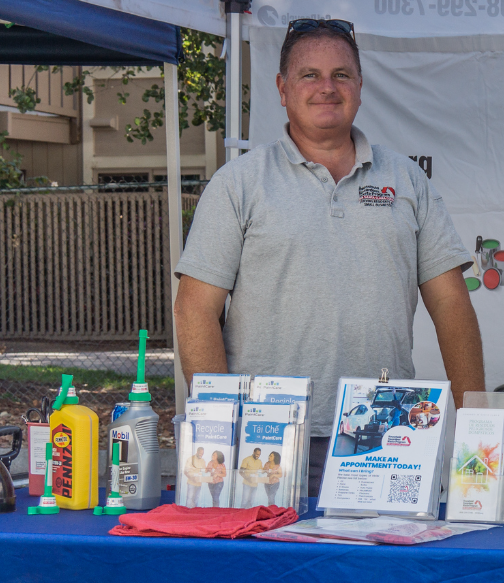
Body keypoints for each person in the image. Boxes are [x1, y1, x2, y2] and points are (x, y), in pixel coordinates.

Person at [173, 18, 485, 497]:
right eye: (309, 75)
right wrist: (222, 428)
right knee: (264, 572)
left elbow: (451, 306)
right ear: (281, 88)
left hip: (388, 432)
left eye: (341, 74)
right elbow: (195, 307)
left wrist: (473, 424)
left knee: (381, 573)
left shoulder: (407, 182)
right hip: (265, 438)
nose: (327, 87)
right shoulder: (239, 184)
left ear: (360, 87)